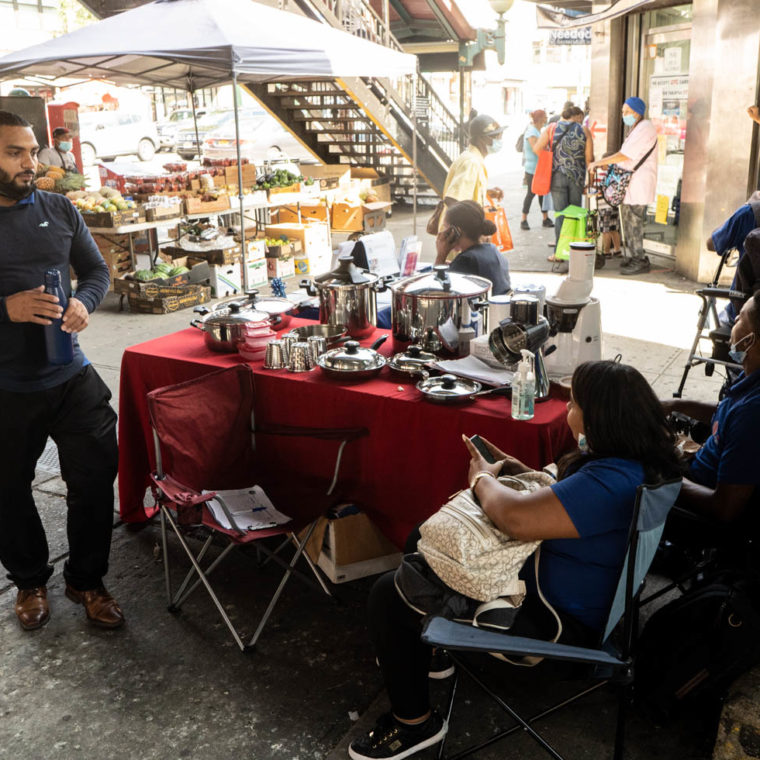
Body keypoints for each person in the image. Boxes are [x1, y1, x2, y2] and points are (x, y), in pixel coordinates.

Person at [349, 360, 681, 760]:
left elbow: (515, 519)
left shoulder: (609, 481)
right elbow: (563, 499)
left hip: (553, 625)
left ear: (600, 418)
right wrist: (518, 471)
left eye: (573, 403)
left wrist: (482, 478)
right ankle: (428, 651)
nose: (566, 411)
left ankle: (414, 725)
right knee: (421, 536)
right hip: (567, 593)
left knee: (388, 594)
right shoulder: (636, 465)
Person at [0, 111, 123, 631]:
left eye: (32, 151)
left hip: (70, 374)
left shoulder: (59, 207)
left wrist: (85, 304)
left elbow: (96, 272)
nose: (31, 163)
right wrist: (5, 309)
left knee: (95, 479)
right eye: (14, 153)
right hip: (6, 386)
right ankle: (29, 580)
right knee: (7, 490)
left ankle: (86, 580)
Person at [663, 290, 760, 528]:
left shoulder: (752, 414)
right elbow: (726, 414)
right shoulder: (750, 381)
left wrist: (662, 479)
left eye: (739, 319)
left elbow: (725, 508)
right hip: (695, 474)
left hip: (701, 508)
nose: (733, 323)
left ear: (749, 340)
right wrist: (677, 404)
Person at [588, 96, 658, 276]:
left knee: (633, 222)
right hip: (632, 184)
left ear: (638, 112)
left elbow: (624, 155)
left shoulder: (644, 128)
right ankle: (634, 256)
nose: (624, 114)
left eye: (627, 111)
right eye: (623, 111)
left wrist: (599, 163)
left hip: (639, 184)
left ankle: (639, 259)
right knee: (628, 221)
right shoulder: (636, 128)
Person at [533, 105, 593, 260]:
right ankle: (575, 252)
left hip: (557, 176)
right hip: (577, 178)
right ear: (578, 116)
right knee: (575, 214)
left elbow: (537, 149)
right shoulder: (584, 130)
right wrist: (591, 182)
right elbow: (589, 159)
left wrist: (552, 157)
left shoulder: (552, 128)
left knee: (560, 215)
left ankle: (559, 253)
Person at [438, 112, 504, 231]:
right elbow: (452, 200)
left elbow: (465, 193)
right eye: (495, 137)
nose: (499, 140)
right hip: (459, 237)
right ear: (481, 139)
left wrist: (486, 192)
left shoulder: (473, 159)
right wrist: (474, 230)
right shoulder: (471, 162)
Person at [433, 200, 510, 295]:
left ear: (455, 231)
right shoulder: (491, 249)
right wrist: (454, 265)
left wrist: (441, 255)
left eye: (445, 227)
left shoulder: (466, 260)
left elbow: (436, 292)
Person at [706, 194, 760, 324]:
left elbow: (712, 243)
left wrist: (745, 208)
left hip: (744, 313)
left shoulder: (750, 213)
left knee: (718, 321)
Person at [520, 109, 554, 231]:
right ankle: (523, 219)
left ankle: (545, 218)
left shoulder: (538, 131)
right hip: (532, 169)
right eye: (545, 117)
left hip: (540, 168)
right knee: (531, 193)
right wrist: (549, 157)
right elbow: (536, 149)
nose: (546, 119)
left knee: (542, 193)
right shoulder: (531, 132)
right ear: (540, 118)